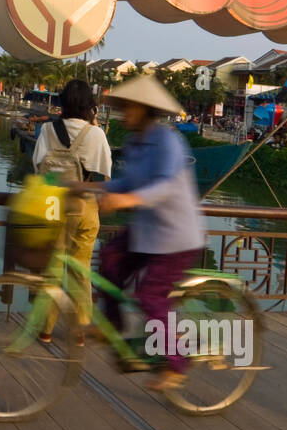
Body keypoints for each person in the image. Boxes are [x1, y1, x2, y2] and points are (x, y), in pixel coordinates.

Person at [95, 75, 207, 392]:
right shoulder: (134, 142)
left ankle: (177, 363)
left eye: (127, 107)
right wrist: (90, 187)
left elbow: (166, 185)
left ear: (144, 109)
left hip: (175, 238)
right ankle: (113, 326)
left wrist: (126, 200)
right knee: (110, 258)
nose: (122, 114)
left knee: (150, 297)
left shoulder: (167, 141)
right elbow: (127, 183)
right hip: (146, 232)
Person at [31, 79, 112, 342]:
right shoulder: (96, 134)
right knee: (81, 270)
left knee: (52, 269)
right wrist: (95, 124)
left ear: (63, 102)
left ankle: (46, 329)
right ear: (91, 106)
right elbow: (106, 173)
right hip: (84, 207)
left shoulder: (47, 130)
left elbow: (37, 167)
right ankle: (79, 331)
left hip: (53, 206)